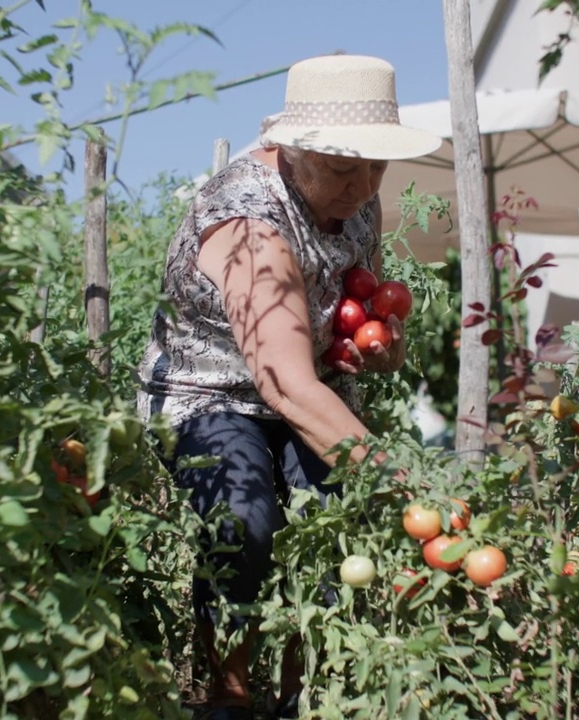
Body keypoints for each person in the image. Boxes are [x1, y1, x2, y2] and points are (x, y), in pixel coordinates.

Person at [136, 54, 441, 720]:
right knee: (244, 520)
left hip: (309, 383)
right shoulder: (248, 218)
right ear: (292, 151)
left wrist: (377, 348)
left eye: (375, 166)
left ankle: (312, 693)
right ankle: (231, 690)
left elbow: (366, 314)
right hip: (211, 393)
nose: (362, 186)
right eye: (342, 168)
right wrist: (404, 485)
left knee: (337, 521)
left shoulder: (360, 202)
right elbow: (283, 382)